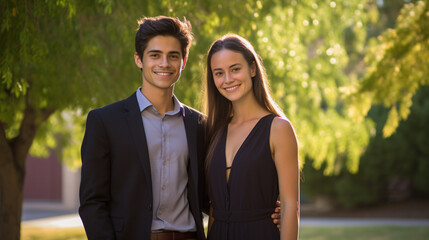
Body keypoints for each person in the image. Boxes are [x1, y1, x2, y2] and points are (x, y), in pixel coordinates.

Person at [79, 16, 281, 240]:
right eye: (155, 55)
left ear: (183, 62)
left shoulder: (201, 126)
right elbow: (92, 202)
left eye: (173, 56)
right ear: (138, 59)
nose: (164, 64)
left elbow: (213, 194)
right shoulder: (105, 122)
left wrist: (270, 210)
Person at [204, 34, 300, 240]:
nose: (228, 79)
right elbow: (214, 206)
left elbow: (291, 206)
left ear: (253, 69)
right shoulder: (215, 130)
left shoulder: (278, 128)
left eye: (235, 69)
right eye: (219, 73)